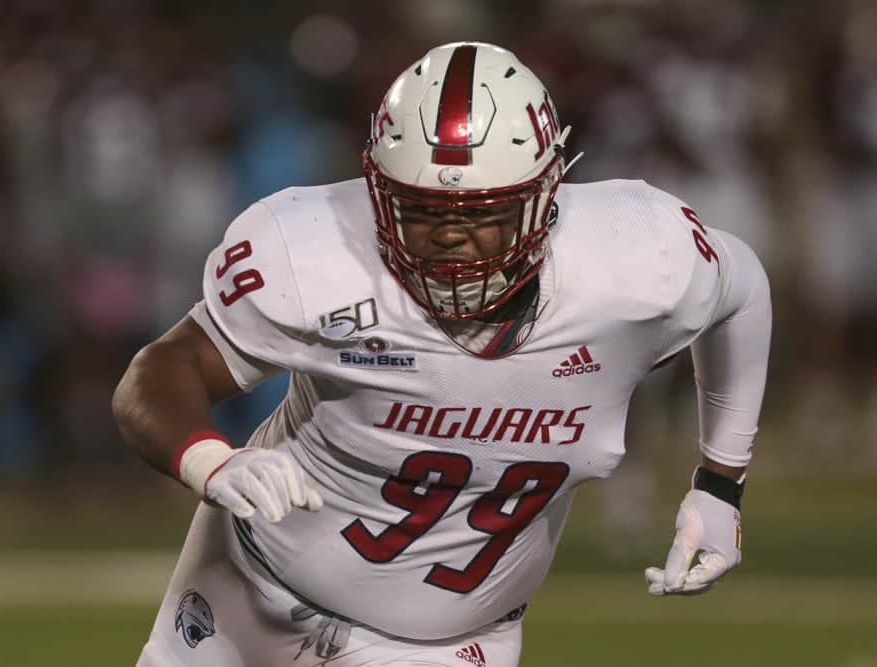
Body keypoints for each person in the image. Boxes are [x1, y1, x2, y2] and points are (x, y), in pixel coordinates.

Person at [113, 42, 770, 667]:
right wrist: (210, 458)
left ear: (544, 200)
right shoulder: (312, 254)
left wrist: (721, 482)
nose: (451, 239)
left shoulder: (638, 258)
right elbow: (165, 368)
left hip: (442, 645)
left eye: (482, 212)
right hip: (245, 585)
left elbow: (744, 291)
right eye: (422, 211)